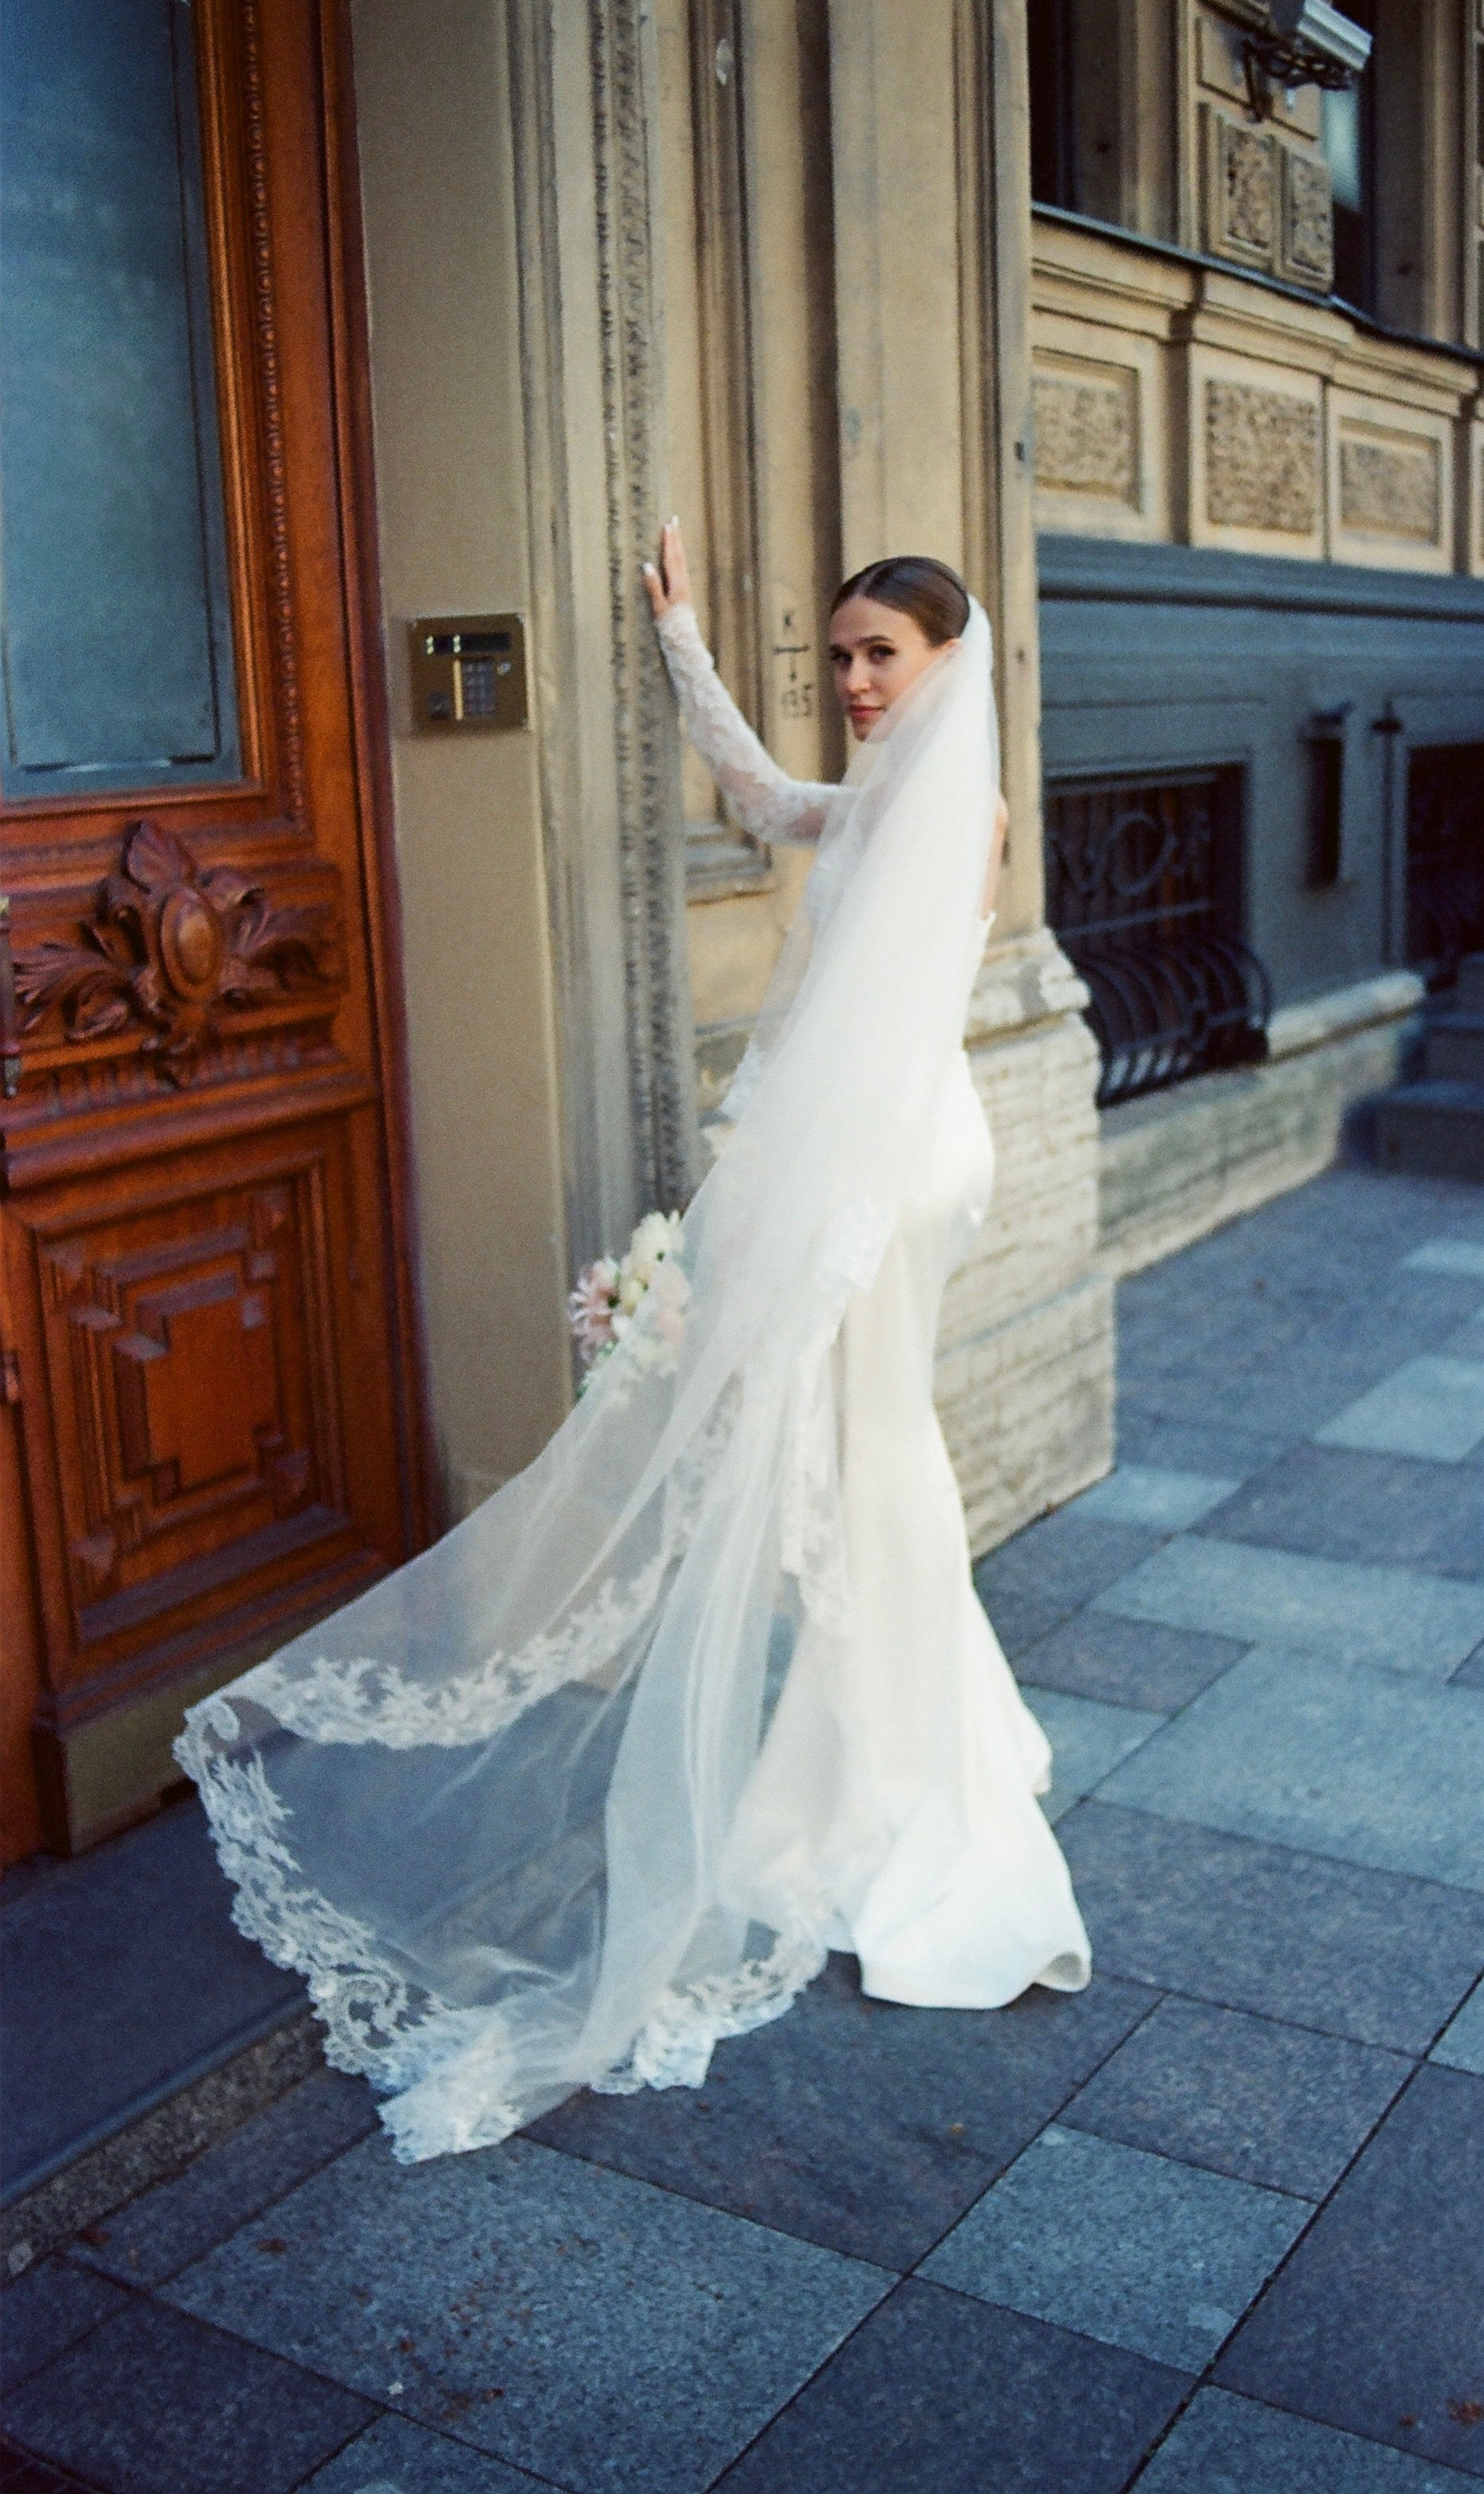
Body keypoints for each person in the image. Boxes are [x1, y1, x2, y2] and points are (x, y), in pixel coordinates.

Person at [176, 529, 1091, 2164]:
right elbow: (766, 797)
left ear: (947, 659)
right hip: (868, 1143)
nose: (854, 682)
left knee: (875, 1447)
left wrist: (790, 1225)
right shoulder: (881, 790)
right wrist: (681, 640)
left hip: (886, 1159)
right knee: (872, 1450)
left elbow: (878, 1032)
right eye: (839, 657)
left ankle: (910, 1775)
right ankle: (916, 1734)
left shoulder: (959, 809)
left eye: (880, 655)